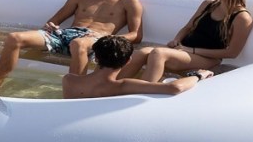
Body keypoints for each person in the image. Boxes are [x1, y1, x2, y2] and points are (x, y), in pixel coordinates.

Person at [0, 0, 143, 89]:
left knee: (78, 44)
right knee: (14, 38)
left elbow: (136, 35)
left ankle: (74, 90)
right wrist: (51, 26)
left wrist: (108, 39)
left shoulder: (128, 2)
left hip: (97, 40)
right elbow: (55, 20)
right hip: (65, 35)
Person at [119, 0, 253, 82]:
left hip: (207, 59)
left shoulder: (241, 18)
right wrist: (177, 40)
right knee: (143, 52)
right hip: (184, 50)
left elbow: (232, 53)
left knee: (158, 53)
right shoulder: (208, 4)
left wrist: (191, 50)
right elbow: (188, 27)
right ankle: (112, 86)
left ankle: (143, 92)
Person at [63, 36, 213, 98]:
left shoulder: (69, 80)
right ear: (128, 60)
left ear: (95, 57)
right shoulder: (124, 86)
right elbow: (174, 88)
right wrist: (198, 75)